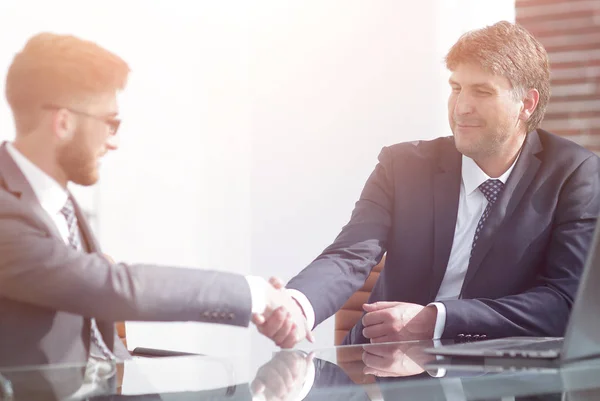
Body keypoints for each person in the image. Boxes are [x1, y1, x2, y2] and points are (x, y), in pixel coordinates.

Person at [255, 20, 600, 347]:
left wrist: (437, 319)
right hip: (377, 367)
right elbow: (350, 255)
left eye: (481, 91)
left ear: (526, 103)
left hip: (494, 373)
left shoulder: (573, 175)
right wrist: (297, 306)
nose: (461, 107)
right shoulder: (402, 165)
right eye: (456, 88)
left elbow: (565, 301)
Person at [0, 32, 309, 367]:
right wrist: (255, 295)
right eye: (110, 123)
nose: (114, 143)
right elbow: (112, 288)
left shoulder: (53, 197)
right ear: (63, 122)